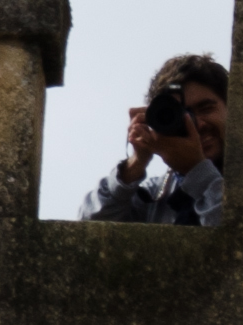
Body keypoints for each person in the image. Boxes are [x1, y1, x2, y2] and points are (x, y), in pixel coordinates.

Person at [80, 51, 229, 225]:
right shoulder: (158, 194)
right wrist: (134, 165)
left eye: (206, 109)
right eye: (183, 117)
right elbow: (89, 228)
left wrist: (197, 171)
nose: (197, 126)